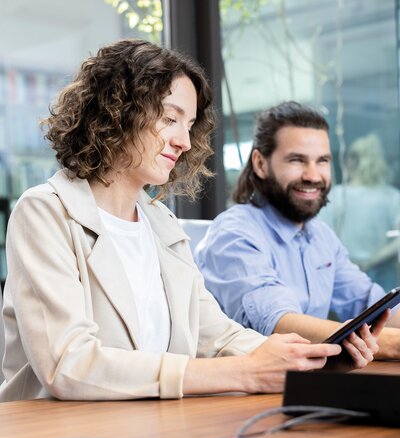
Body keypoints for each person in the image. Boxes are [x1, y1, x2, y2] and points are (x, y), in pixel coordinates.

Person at [0, 43, 382, 403]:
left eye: (190, 124)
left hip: (144, 433)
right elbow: (69, 364)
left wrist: (314, 360)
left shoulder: (161, 222)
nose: (184, 140)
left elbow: (213, 334)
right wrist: (244, 373)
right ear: (114, 113)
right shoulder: (45, 212)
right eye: (170, 118)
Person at [195, 101, 400, 359]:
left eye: (322, 160)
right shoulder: (234, 233)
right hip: (243, 393)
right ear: (260, 163)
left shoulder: (321, 236)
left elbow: (374, 306)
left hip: (304, 382)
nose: (313, 175)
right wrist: (393, 344)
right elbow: (281, 326)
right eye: (296, 160)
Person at [319, 133, 400, 291]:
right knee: (391, 314)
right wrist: (371, 261)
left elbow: (322, 235)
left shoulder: (337, 195)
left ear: (353, 161)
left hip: (350, 272)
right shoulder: (392, 196)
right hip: (374, 272)